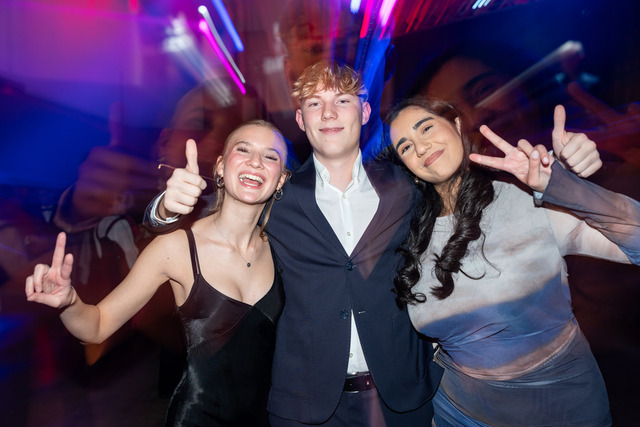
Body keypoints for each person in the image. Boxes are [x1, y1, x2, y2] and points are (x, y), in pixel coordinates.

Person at [147, 62, 442, 426]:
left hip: (402, 400)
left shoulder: (405, 185)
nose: (328, 113)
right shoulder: (277, 195)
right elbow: (212, 217)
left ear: (365, 112)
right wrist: (163, 210)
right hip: (306, 409)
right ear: (301, 119)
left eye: (342, 100)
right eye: (315, 103)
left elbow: (457, 210)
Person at [385, 97, 640, 426]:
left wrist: (566, 186)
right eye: (406, 147)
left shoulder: (525, 200)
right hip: (458, 413)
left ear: (457, 125)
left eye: (426, 128)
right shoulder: (410, 237)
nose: (421, 147)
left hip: (565, 412)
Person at [25, 120, 290, 426]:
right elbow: (96, 326)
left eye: (270, 156)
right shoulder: (176, 248)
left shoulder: (284, 250)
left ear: (281, 180)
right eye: (243, 149)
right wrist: (69, 301)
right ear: (220, 166)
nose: (255, 162)